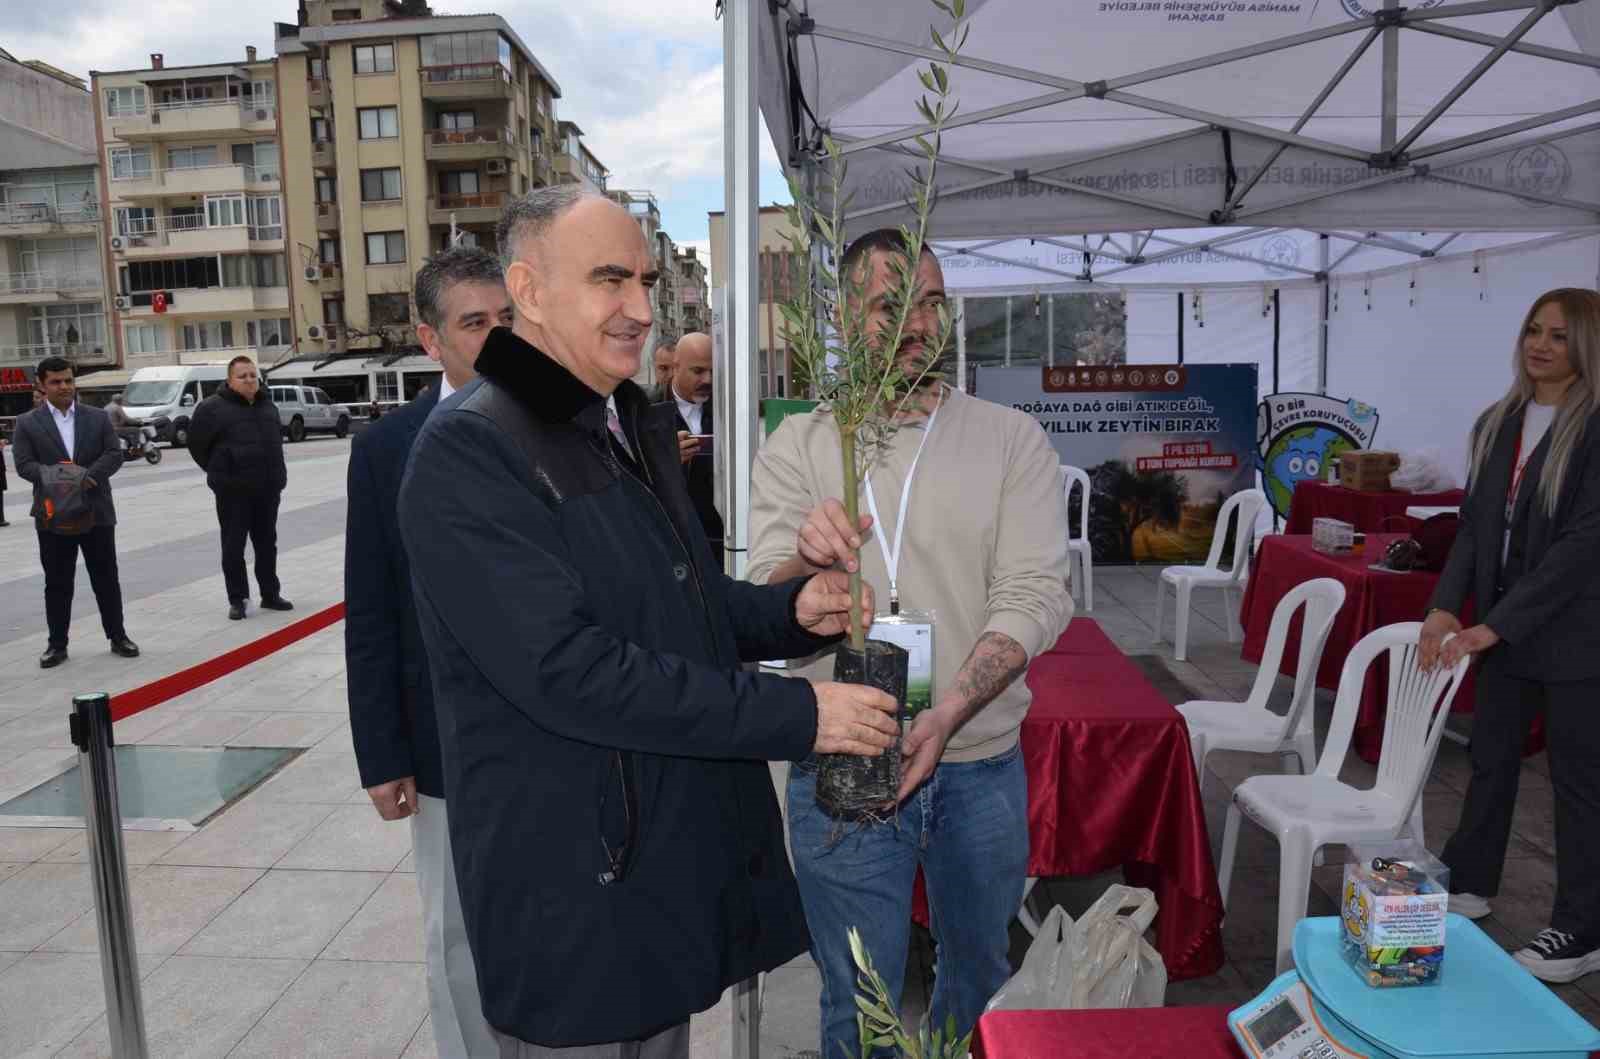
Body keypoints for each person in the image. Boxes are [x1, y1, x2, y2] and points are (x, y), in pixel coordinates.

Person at [397, 185, 901, 1058]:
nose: (640, 308)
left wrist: (794, 610)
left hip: (650, 874)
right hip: (573, 886)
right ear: (529, 288)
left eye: (645, 278)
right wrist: (801, 716)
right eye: (608, 280)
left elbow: (686, 604)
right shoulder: (471, 448)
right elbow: (570, 670)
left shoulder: (622, 417)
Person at [747, 228, 1073, 1058]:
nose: (918, 324)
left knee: (980, 977)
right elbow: (759, 605)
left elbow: (1035, 592)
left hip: (978, 764)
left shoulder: (1010, 440)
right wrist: (806, 566)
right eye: (893, 305)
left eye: (932, 303)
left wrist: (950, 710)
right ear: (847, 321)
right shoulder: (801, 444)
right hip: (840, 755)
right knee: (862, 1002)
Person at [345, 246, 512, 1059]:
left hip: (553, 729)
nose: (496, 338)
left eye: (508, 320)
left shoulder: (568, 420)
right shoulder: (387, 449)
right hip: (442, 746)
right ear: (429, 339)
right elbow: (371, 609)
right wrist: (382, 753)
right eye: (474, 323)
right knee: (455, 936)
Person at [1421, 287, 1600, 984]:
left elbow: (1585, 544)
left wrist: (1496, 623)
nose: (1541, 345)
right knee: (1491, 757)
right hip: (1507, 630)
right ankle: (1469, 878)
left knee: (1579, 784)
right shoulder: (1501, 420)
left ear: (1585, 345)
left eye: (1559, 335)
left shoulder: (1593, 426)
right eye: (1533, 330)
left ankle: (1583, 928)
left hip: (1577, 636)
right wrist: (1444, 606)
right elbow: (1473, 524)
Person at [11, 356, 140, 668]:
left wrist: (87, 478)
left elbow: (114, 454)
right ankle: (57, 645)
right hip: (53, 514)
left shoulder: (96, 418)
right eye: (56, 382)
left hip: (96, 510)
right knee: (57, 582)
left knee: (106, 577)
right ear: (41, 385)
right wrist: (60, 479)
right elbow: (24, 464)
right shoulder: (27, 423)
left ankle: (118, 636)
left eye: (68, 380)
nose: (64, 386)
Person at [187, 356, 292, 621]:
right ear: (229, 380)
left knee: (267, 544)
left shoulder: (268, 406)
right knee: (234, 547)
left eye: (252, 375)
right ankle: (238, 599)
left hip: (267, 489)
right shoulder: (211, 408)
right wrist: (220, 473)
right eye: (242, 376)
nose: (249, 381)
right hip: (233, 492)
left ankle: (270, 594)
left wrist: (278, 477)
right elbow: (197, 446)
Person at [660, 331, 724, 554]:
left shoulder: (727, 407)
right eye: (698, 371)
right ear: (676, 367)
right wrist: (665, 460)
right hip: (669, 539)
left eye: (713, 371)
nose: (707, 379)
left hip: (718, 539)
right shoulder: (644, 410)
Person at [650, 335, 676, 403]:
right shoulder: (645, 406)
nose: (671, 375)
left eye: (676, 368)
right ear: (655, 369)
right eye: (664, 368)